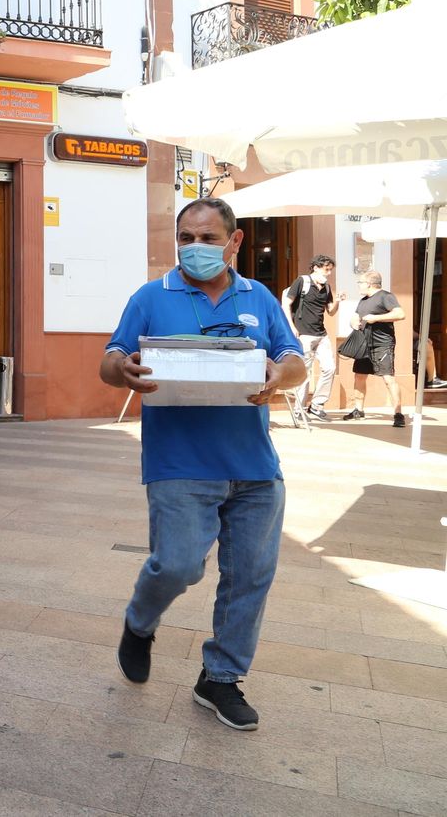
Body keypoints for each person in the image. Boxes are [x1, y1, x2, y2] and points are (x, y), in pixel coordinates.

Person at [100, 198, 307, 731]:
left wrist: (278, 376)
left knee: (250, 577)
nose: (195, 248)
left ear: (234, 242)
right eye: (186, 238)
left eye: (208, 239)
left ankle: (221, 678)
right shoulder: (151, 296)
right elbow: (110, 359)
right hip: (179, 462)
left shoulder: (258, 297)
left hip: (255, 467)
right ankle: (140, 622)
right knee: (178, 565)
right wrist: (123, 369)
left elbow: (294, 360)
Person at [280, 254, 343, 421]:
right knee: (304, 372)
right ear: (316, 267)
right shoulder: (302, 281)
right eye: (326, 269)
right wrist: (291, 327)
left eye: (330, 270)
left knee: (329, 368)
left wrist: (337, 301)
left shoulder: (326, 287)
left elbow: (331, 311)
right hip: (303, 334)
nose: (329, 273)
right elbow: (286, 303)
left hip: (321, 334)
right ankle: (299, 410)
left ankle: (316, 405)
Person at [343, 270, 407, 427]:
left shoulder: (386, 296)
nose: (359, 286)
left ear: (369, 284)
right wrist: (353, 322)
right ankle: (358, 410)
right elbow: (355, 316)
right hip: (364, 344)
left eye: (360, 283)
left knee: (388, 378)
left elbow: (400, 314)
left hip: (382, 344)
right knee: (359, 376)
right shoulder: (363, 300)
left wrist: (376, 318)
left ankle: (398, 414)